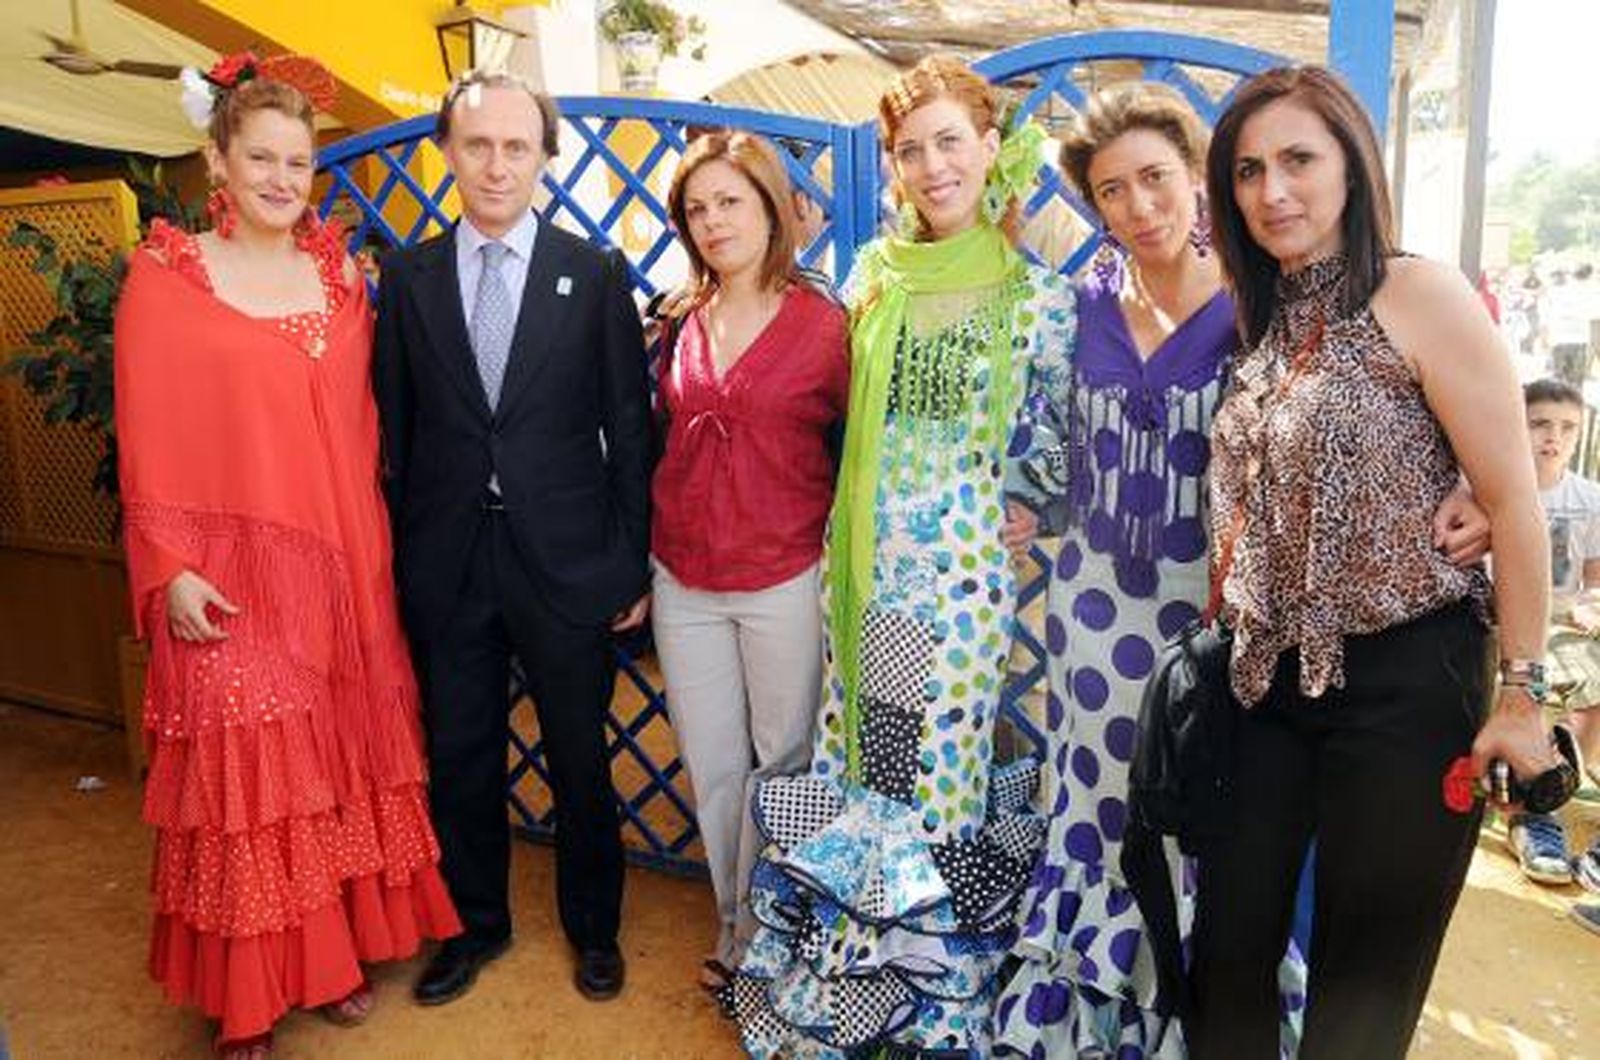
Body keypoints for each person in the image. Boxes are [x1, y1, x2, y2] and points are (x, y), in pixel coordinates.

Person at [991, 82, 1488, 1058]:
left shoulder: (1253, 302)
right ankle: (1089, 1023)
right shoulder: (1069, 310)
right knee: (1094, 821)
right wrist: (1022, 509)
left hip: (1214, 622)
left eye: (1155, 180)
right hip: (1089, 612)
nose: (1137, 208)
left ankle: (1184, 1021)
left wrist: (1469, 471)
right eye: (1111, 192)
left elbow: (1386, 396)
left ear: (1195, 183)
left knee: (1204, 841)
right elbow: (1044, 451)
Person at [1190, 65, 1555, 1059]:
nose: (1273, 190)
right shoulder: (1261, 316)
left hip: (1406, 678)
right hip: (1263, 684)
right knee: (1223, 957)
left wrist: (1521, 694)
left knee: (1363, 987)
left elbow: (1517, 502)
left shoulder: (1417, 290)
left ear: (1353, 166)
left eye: (1299, 159)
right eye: (1249, 170)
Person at [115, 54, 461, 1059]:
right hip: (220, 576)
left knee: (328, 766)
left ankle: (333, 955)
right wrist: (167, 563)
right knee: (251, 780)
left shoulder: (339, 275)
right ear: (215, 159)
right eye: (258, 156)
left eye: (297, 162)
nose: (279, 177)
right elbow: (143, 433)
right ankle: (250, 994)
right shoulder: (165, 281)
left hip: (341, 568)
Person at [727, 55, 1074, 1056]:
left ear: (988, 150)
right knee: (874, 779)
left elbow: (1054, 447)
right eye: (911, 149)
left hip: (960, 592)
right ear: (894, 164)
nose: (932, 165)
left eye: (948, 142)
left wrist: (1027, 501)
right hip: (870, 583)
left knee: (937, 782)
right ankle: (851, 993)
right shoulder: (872, 280)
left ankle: (926, 1006)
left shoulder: (1033, 301)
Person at [372, 70, 652, 1006]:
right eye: (478, 145)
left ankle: (594, 930)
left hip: (568, 562)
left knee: (579, 755)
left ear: (543, 156)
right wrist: (406, 560)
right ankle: (473, 928)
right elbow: (398, 438)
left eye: (517, 146)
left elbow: (629, 425)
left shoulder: (596, 271)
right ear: (447, 152)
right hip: (450, 565)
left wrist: (628, 558)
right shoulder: (407, 281)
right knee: (460, 757)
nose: (497, 165)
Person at [650, 130, 848, 989]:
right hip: (682, 576)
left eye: (731, 201)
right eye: (697, 208)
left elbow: (852, 448)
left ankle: (780, 936)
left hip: (783, 572)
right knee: (714, 762)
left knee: (785, 759)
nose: (713, 220)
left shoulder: (828, 325)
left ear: (771, 206)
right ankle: (735, 931)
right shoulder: (676, 318)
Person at [1517, 378, 1600, 891]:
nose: (1554, 437)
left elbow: (1593, 581)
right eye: (1541, 424)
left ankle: (1555, 794)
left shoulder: (1590, 499)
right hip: (1509, 625)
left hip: (1565, 624)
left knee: (1593, 686)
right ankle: (1534, 815)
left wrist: (1591, 608)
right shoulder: (1493, 484)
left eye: (1567, 428)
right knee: (1535, 687)